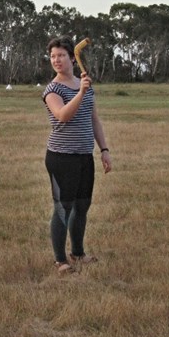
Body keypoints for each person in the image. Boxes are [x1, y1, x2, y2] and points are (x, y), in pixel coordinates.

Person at [42, 35, 112, 275]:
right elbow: (62, 115)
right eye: (53, 56)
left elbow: (94, 120)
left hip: (84, 156)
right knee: (63, 207)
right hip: (61, 157)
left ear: (73, 58)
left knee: (82, 205)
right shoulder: (52, 89)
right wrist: (81, 93)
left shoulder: (85, 85)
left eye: (61, 55)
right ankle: (60, 261)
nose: (56, 60)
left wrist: (104, 150)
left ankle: (78, 253)